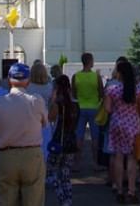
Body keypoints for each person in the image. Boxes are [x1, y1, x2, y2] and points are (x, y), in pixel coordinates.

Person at [0, 63, 48, 206]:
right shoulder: (36, 100)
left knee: (6, 199)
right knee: (34, 199)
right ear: (28, 80)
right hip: (31, 154)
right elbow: (44, 123)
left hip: (7, 155)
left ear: (9, 79)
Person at [105, 59, 140, 203]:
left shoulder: (112, 89)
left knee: (118, 157)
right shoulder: (136, 89)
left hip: (117, 124)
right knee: (132, 158)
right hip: (133, 123)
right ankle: (132, 190)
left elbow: (107, 109)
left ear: (119, 73)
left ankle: (119, 189)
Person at [47, 75, 79, 206]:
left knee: (51, 172)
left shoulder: (57, 103)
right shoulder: (75, 104)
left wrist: (52, 100)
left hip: (58, 141)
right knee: (66, 174)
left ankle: (62, 198)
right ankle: (68, 200)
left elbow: (50, 118)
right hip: (71, 142)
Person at [72, 52, 104, 170]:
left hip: (80, 108)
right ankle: (95, 163)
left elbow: (73, 93)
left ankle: (77, 164)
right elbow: (101, 92)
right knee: (95, 137)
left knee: (79, 136)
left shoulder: (76, 76)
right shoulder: (96, 76)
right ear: (90, 61)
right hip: (94, 108)